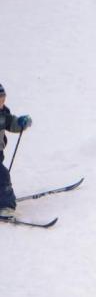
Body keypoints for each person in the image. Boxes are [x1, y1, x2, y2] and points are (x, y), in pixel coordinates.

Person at [0, 83, 34, 213]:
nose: (1, 103)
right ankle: (5, 207)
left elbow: (11, 123)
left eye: (3, 99)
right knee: (3, 175)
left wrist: (20, 123)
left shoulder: (3, 113)